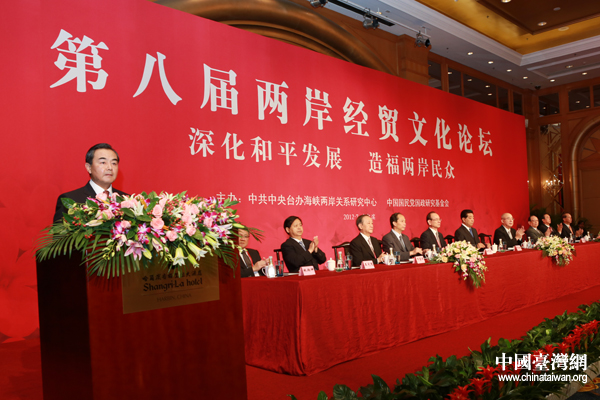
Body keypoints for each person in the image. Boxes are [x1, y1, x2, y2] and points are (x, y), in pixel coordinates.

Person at [53, 143, 127, 222]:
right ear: (89, 168)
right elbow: (59, 230)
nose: (110, 167)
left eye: (114, 163)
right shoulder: (72, 200)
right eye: (103, 162)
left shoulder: (127, 201)